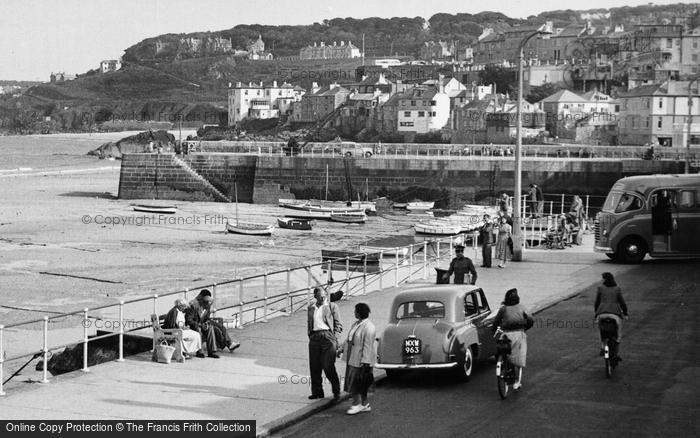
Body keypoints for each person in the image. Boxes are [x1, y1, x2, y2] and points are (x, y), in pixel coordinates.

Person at [338, 303, 376, 415]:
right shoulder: (356, 324)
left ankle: (356, 404)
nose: (353, 312)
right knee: (358, 382)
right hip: (352, 358)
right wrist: (341, 349)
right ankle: (364, 404)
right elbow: (349, 339)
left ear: (359, 312)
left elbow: (368, 346)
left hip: (360, 361)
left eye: (355, 311)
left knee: (356, 382)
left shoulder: (369, 327)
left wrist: (365, 362)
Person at [493, 288, 534, 390]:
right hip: (518, 334)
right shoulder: (522, 307)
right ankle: (517, 381)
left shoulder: (503, 309)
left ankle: (502, 363)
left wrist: (494, 331)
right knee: (518, 357)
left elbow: (496, 322)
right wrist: (525, 328)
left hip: (506, 334)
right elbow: (530, 320)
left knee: (502, 350)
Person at [307, 287, 342, 401]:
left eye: (324, 296)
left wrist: (336, 339)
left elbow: (338, 324)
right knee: (314, 366)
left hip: (328, 337)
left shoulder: (332, 307)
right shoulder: (311, 308)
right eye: (320, 296)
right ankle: (317, 392)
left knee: (328, 366)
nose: (323, 298)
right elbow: (310, 323)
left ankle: (336, 391)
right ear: (315, 296)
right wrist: (311, 335)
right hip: (315, 337)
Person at [185, 289, 240, 359]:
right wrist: (200, 325)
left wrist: (206, 324)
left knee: (211, 327)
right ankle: (200, 351)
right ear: (201, 299)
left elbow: (207, 317)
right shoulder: (193, 305)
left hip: (203, 323)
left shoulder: (207, 305)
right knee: (199, 329)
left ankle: (212, 352)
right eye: (205, 302)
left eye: (207, 302)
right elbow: (188, 320)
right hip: (194, 325)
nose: (206, 304)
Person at [594, 272, 629, 359]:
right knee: (618, 332)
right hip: (615, 314)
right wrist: (625, 313)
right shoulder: (617, 289)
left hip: (602, 313)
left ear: (605, 279)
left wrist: (596, 313)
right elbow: (622, 302)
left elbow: (597, 302)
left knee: (601, 330)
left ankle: (603, 346)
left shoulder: (600, 288)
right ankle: (616, 353)